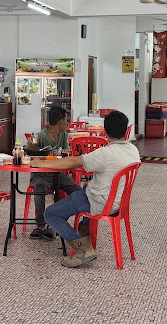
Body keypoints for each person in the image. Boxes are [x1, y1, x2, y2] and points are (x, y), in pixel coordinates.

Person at [35, 110, 140, 268]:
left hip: (99, 202)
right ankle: (85, 233)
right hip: (118, 203)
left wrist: (42, 163)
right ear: (126, 131)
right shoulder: (133, 150)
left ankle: (83, 248)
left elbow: (72, 162)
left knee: (50, 213)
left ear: (105, 131)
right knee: (81, 189)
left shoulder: (105, 153)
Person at [26, 105, 81, 241]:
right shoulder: (40, 136)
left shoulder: (63, 134)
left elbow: (66, 154)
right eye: (66, 121)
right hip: (41, 175)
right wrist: (29, 145)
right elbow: (27, 149)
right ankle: (40, 226)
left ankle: (57, 222)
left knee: (79, 192)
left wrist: (60, 154)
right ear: (60, 122)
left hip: (58, 174)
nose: (67, 123)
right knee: (39, 191)